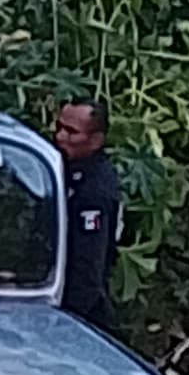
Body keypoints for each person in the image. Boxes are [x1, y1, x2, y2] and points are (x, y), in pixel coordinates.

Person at [51, 96, 121, 331]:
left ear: (95, 140)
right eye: (59, 127)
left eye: (71, 132)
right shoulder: (64, 170)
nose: (60, 137)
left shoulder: (93, 192)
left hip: (79, 316)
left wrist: (65, 322)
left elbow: (88, 269)